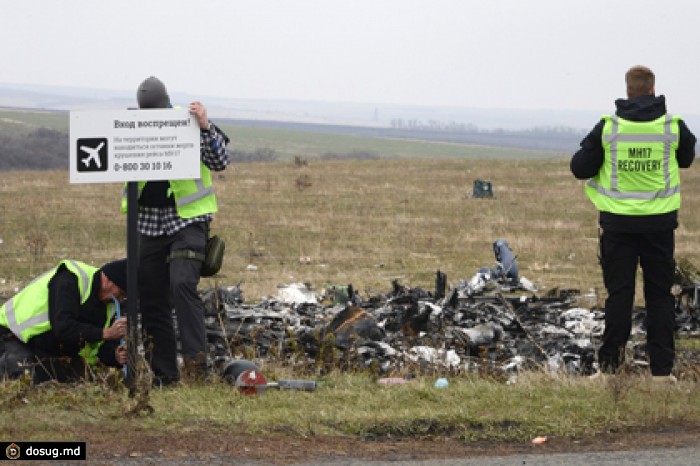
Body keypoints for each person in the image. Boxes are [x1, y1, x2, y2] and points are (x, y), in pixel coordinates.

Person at [571, 65, 696, 380]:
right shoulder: (673, 127)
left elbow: (580, 168)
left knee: (620, 297)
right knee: (660, 297)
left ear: (627, 92)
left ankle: (611, 370)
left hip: (618, 228)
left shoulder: (609, 128)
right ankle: (662, 374)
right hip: (659, 228)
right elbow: (686, 158)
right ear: (653, 90)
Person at [123, 76, 230, 385]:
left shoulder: (189, 121)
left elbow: (219, 160)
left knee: (182, 285)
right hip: (147, 221)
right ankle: (165, 375)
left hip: (187, 219)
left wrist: (206, 125)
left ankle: (197, 370)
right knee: (152, 297)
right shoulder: (132, 125)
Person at [0, 259, 128, 384]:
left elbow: (100, 345)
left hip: (47, 346)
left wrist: (115, 355)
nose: (121, 299)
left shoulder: (110, 305)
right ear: (107, 280)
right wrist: (106, 333)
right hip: (12, 335)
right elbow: (63, 327)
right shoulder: (70, 278)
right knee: (23, 377)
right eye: (121, 293)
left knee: (76, 381)